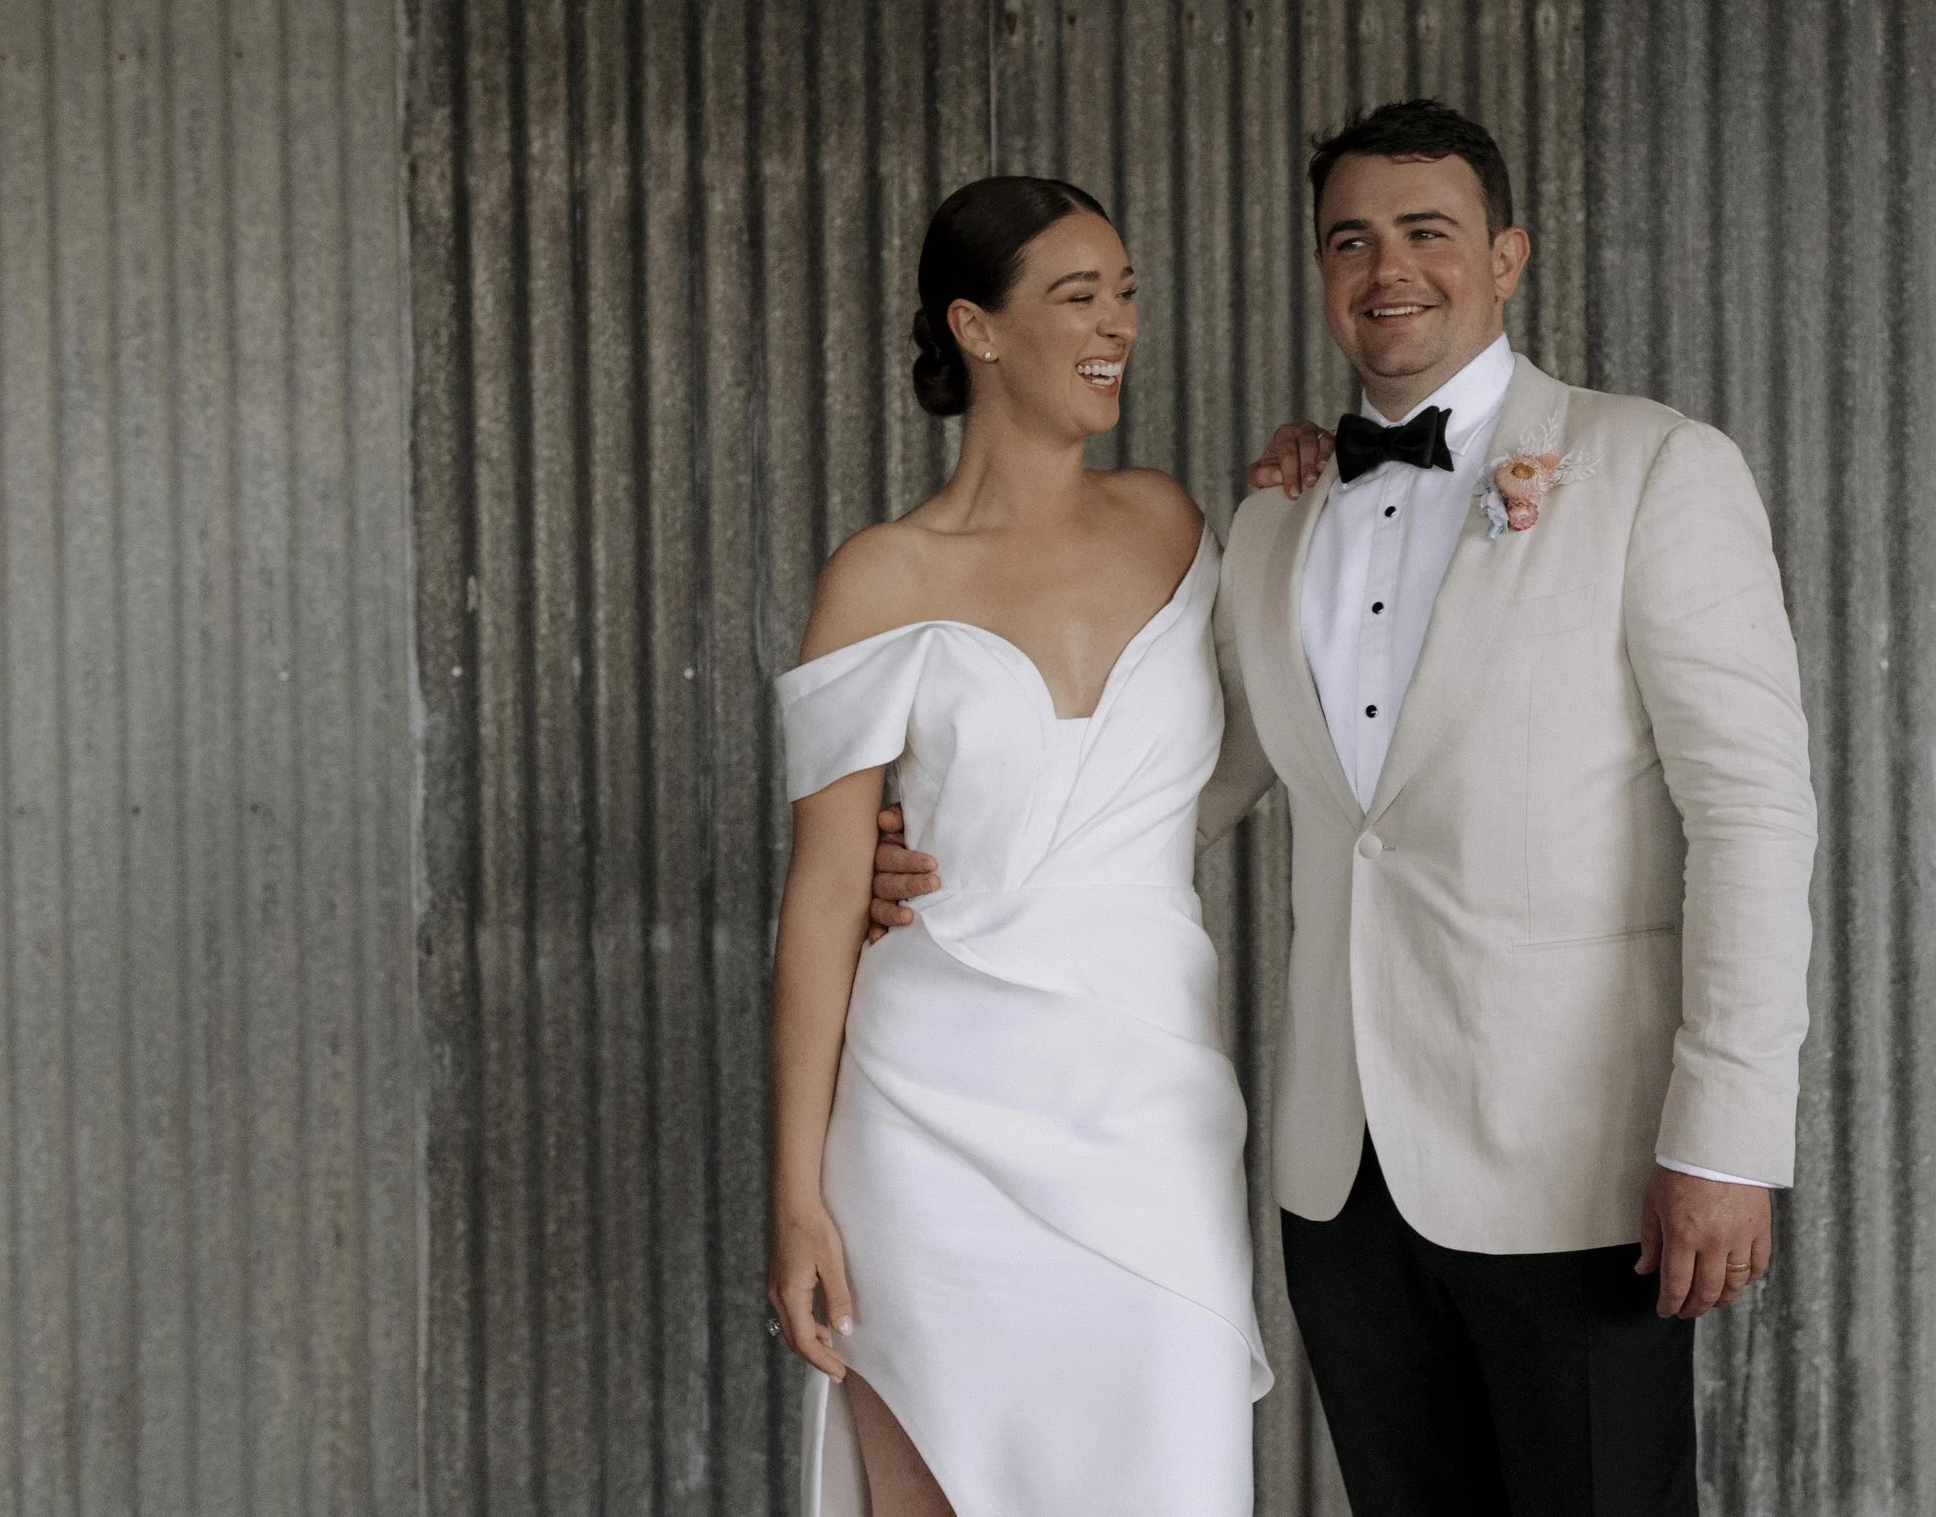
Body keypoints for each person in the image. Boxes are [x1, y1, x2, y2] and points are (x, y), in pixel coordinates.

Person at [872, 101, 1817, 1515]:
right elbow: (1172, 781)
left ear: (1507, 258)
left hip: (1577, 1163)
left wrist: (1725, 1135)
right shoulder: (1275, 518)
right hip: (1341, 1179)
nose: (1390, 269)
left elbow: (1751, 813)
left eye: (1428, 233)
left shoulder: (1654, 471)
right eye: (1351, 240)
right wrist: (937, 861)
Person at [764, 175, 1333, 1516]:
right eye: (1078, 296)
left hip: (1148, 1113)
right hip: (924, 1119)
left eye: (1126, 293)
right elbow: (824, 895)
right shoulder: (881, 577)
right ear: (977, 327)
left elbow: (1285, 726)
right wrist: (796, 1198)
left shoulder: (1177, 522)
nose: (1117, 325)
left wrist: (1312, 493)